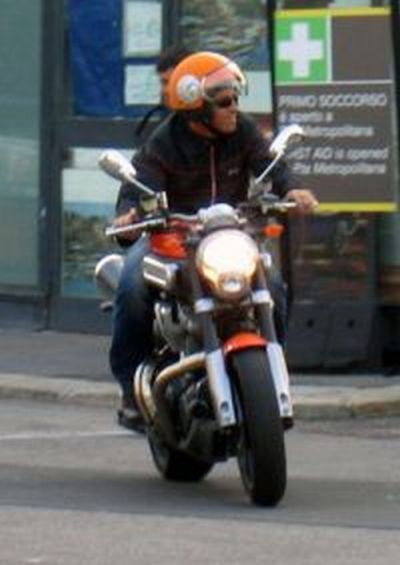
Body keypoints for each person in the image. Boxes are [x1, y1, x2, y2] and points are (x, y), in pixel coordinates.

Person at [110, 51, 318, 431]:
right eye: (224, 102)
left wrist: (293, 189)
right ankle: (130, 390)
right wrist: (129, 217)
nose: (234, 107)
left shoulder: (243, 131)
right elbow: (138, 185)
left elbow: (270, 165)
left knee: (272, 286)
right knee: (131, 285)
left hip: (230, 235)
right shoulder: (165, 141)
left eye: (235, 98)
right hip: (172, 237)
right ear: (198, 108)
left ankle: (270, 377)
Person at [135, 45, 192, 137]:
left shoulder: (210, 121)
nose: (164, 91)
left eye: (170, 82)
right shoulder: (169, 129)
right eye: (163, 83)